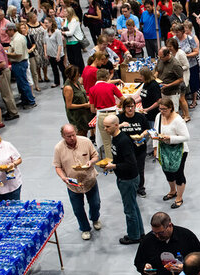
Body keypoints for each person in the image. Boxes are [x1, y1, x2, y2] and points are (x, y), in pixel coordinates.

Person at [53, 124, 102, 240]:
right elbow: (57, 166)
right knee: (78, 209)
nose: (72, 138)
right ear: (63, 136)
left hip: (89, 179)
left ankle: (95, 218)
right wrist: (63, 177)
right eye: (68, 136)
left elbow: (95, 156)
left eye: (73, 135)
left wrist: (91, 162)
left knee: (95, 203)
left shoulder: (86, 141)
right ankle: (85, 228)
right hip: (73, 184)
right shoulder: (58, 148)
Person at [102, 114, 145, 245]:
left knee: (129, 209)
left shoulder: (123, 141)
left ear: (115, 126)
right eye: (104, 126)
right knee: (133, 206)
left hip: (128, 179)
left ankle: (134, 236)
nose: (105, 129)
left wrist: (113, 166)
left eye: (107, 126)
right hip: (124, 177)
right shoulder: (115, 136)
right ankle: (139, 232)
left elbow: (131, 164)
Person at [154, 98, 190, 209]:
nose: (162, 111)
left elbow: (186, 137)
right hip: (164, 149)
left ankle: (179, 197)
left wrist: (170, 138)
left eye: (164, 109)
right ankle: (172, 190)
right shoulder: (159, 117)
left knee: (178, 173)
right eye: (160, 109)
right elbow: (155, 132)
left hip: (179, 151)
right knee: (167, 171)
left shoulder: (178, 120)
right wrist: (155, 147)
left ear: (171, 108)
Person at [90, 68, 125, 159]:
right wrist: (119, 105)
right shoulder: (112, 87)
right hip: (113, 115)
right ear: (107, 77)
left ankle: (110, 163)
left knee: (106, 142)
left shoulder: (92, 89)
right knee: (118, 138)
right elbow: (124, 99)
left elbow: (92, 109)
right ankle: (120, 159)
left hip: (101, 115)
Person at [119, 97, 150, 198]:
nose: (130, 109)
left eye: (132, 106)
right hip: (126, 150)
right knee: (127, 169)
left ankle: (140, 188)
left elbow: (147, 129)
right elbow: (111, 129)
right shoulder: (119, 118)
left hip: (140, 147)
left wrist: (142, 135)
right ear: (124, 108)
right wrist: (120, 126)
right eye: (128, 107)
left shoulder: (140, 117)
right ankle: (130, 187)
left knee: (140, 169)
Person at [5, 22, 37, 109]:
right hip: (19, 63)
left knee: (23, 83)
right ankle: (25, 100)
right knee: (21, 84)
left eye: (7, 31)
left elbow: (18, 54)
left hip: (19, 63)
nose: (6, 33)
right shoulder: (17, 37)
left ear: (12, 30)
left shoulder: (17, 39)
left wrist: (7, 54)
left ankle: (31, 101)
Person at [155, 47, 188, 121]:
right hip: (163, 90)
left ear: (167, 55)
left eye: (161, 57)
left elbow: (181, 79)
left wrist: (168, 85)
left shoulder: (175, 64)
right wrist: (155, 77)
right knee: (164, 110)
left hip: (173, 92)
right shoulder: (160, 60)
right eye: (159, 56)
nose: (160, 58)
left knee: (174, 112)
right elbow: (158, 70)